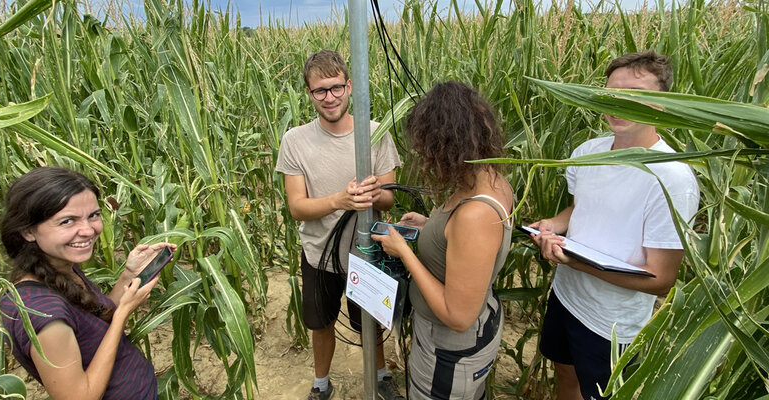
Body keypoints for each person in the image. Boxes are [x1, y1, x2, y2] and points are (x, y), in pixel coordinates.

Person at [528, 50, 700, 400]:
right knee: (565, 373)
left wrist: (574, 262)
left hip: (612, 324)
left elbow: (661, 279)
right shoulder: (587, 151)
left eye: (634, 95)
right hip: (566, 296)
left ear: (661, 104)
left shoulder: (671, 177)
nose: (617, 104)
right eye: (611, 94)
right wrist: (553, 224)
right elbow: (579, 208)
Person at [372, 81, 514, 400]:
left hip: (450, 350)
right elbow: (462, 247)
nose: (423, 157)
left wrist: (403, 252)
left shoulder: (475, 214)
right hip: (468, 335)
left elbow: (458, 315)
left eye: (426, 148)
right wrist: (428, 227)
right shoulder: (491, 179)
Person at [274, 49, 403, 400]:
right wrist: (339, 201)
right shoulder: (295, 141)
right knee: (321, 323)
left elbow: (391, 198)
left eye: (335, 88)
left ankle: (379, 376)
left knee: (370, 321)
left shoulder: (375, 134)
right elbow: (297, 207)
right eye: (320, 91)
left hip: (367, 251)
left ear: (349, 87)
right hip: (319, 253)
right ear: (309, 94)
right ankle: (321, 384)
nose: (329, 98)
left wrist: (377, 194)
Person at [0, 167, 176, 400]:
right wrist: (123, 314)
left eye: (93, 215)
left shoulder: (60, 268)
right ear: (28, 231)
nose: (88, 230)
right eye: (67, 221)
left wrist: (128, 275)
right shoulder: (41, 314)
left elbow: (92, 326)